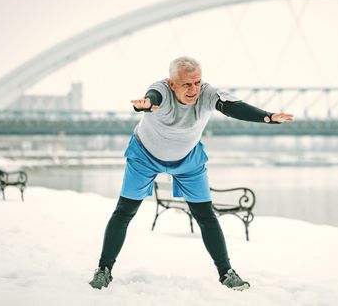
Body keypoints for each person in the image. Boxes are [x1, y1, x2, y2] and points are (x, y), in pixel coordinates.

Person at [89, 56, 294, 291]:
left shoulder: (207, 93)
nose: (193, 89)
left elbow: (231, 107)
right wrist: (145, 104)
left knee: (206, 216)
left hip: (188, 160)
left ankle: (226, 273)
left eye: (197, 82)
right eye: (187, 84)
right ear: (172, 83)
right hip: (144, 157)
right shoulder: (161, 91)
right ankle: (104, 270)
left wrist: (267, 117)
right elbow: (152, 98)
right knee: (124, 211)